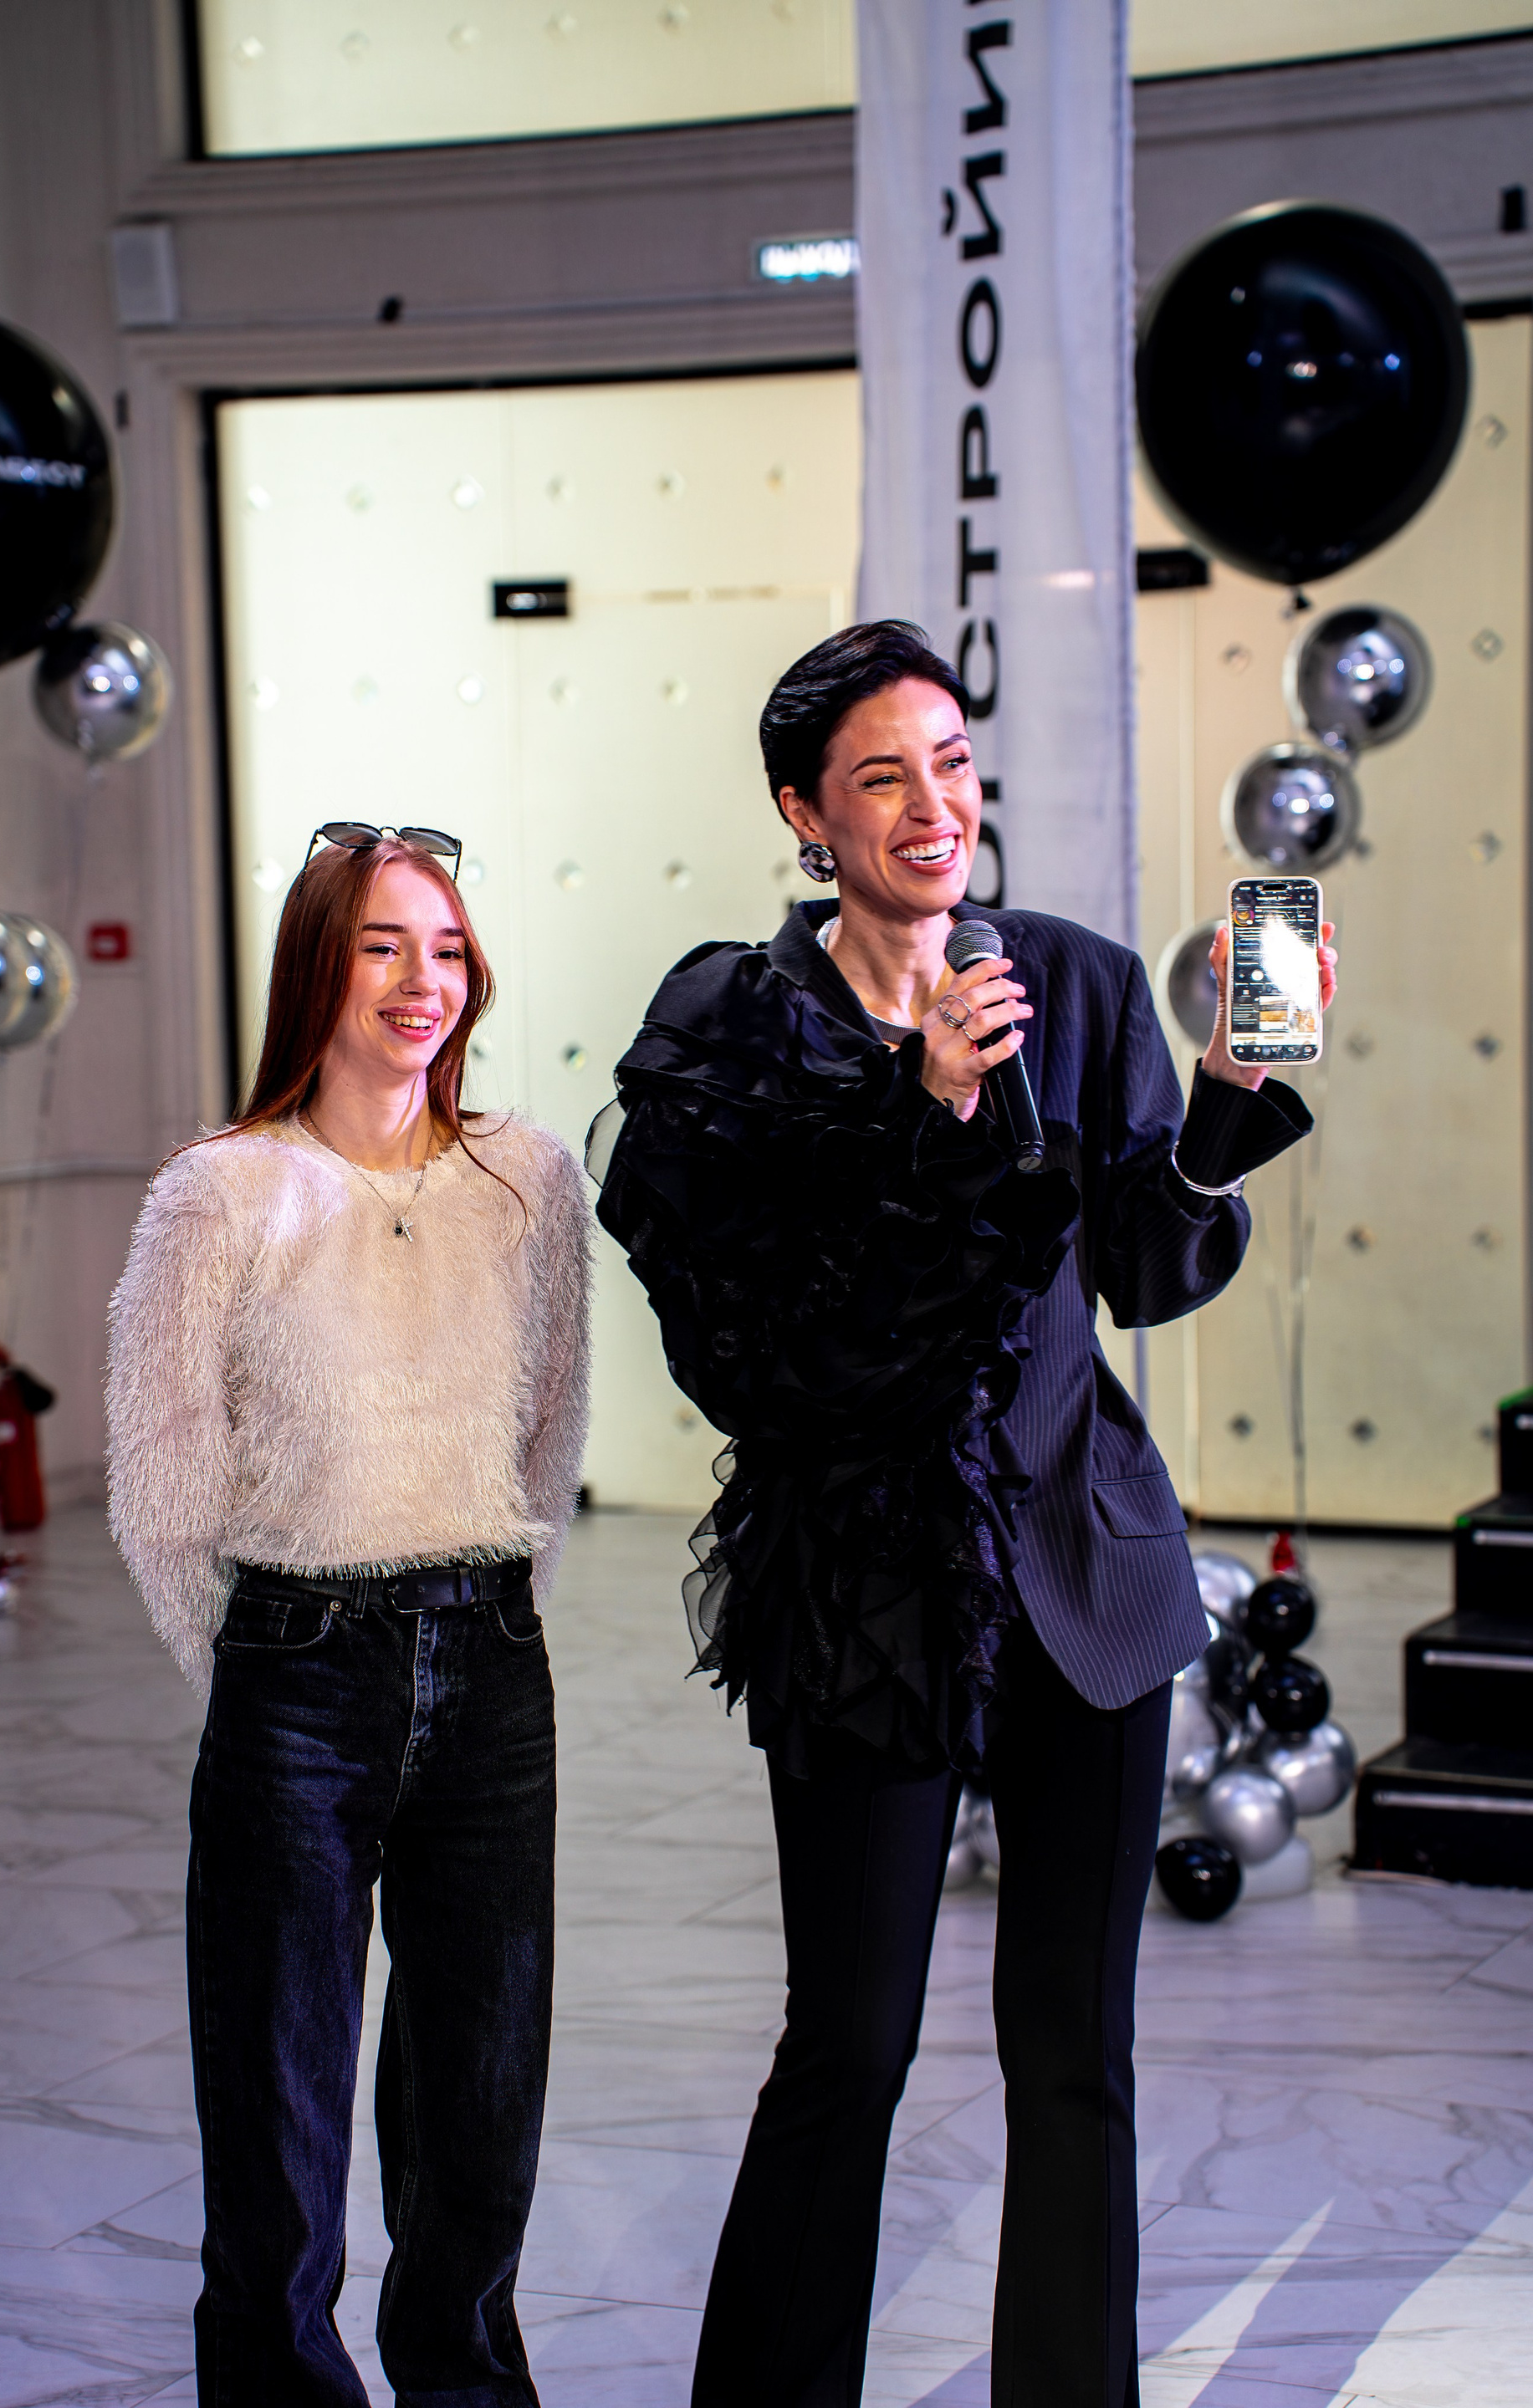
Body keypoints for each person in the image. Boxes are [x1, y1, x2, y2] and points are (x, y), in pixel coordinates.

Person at [590, 624, 1336, 2408]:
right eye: (882, 777)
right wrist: (927, 1106)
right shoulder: (739, 1031)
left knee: (1074, 2054)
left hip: (1082, 1553)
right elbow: (767, 1355)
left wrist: (1224, 1110)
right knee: (848, 2048)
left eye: (953, 763)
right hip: (866, 1580)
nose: (934, 806)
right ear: (805, 814)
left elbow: (1139, 1269)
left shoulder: (1073, 983)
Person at [106, 826, 590, 2407]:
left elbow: (549, 1429)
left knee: (481, 2094)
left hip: (491, 1663)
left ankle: (463, 2385)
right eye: (381, 945)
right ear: (316, 965)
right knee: (277, 2095)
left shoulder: (529, 1181)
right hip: (297, 1669)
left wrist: (478, 1606)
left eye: (444, 948)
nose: (419, 981)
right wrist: (267, 1661)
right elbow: (163, 1486)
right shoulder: (219, 1192)